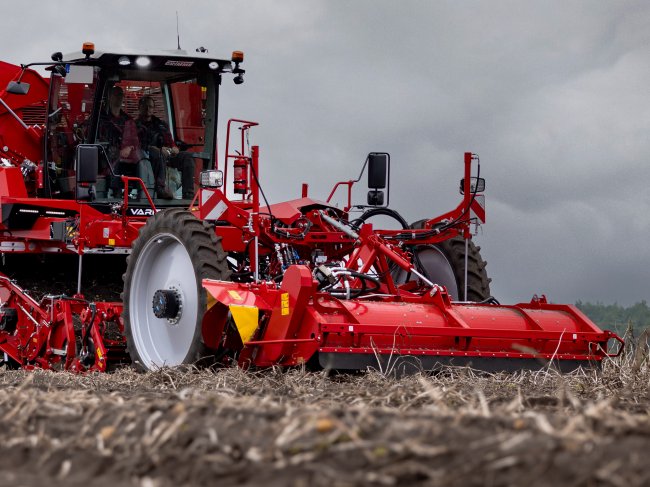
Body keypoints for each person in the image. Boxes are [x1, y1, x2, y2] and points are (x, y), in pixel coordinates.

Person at [98, 86, 172, 199]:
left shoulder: (127, 120)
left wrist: (129, 148)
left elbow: (133, 140)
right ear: (109, 97)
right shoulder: (99, 118)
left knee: (142, 155)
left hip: (128, 155)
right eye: (116, 94)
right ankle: (118, 193)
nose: (120, 98)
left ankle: (149, 192)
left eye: (121, 95)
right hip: (105, 154)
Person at [136, 95, 196, 199]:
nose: (148, 109)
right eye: (145, 106)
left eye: (150, 107)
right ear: (139, 107)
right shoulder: (134, 125)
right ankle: (160, 189)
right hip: (146, 157)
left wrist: (174, 148)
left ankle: (188, 194)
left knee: (187, 157)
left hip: (165, 155)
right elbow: (137, 145)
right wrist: (158, 149)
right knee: (157, 154)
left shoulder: (161, 124)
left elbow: (170, 142)